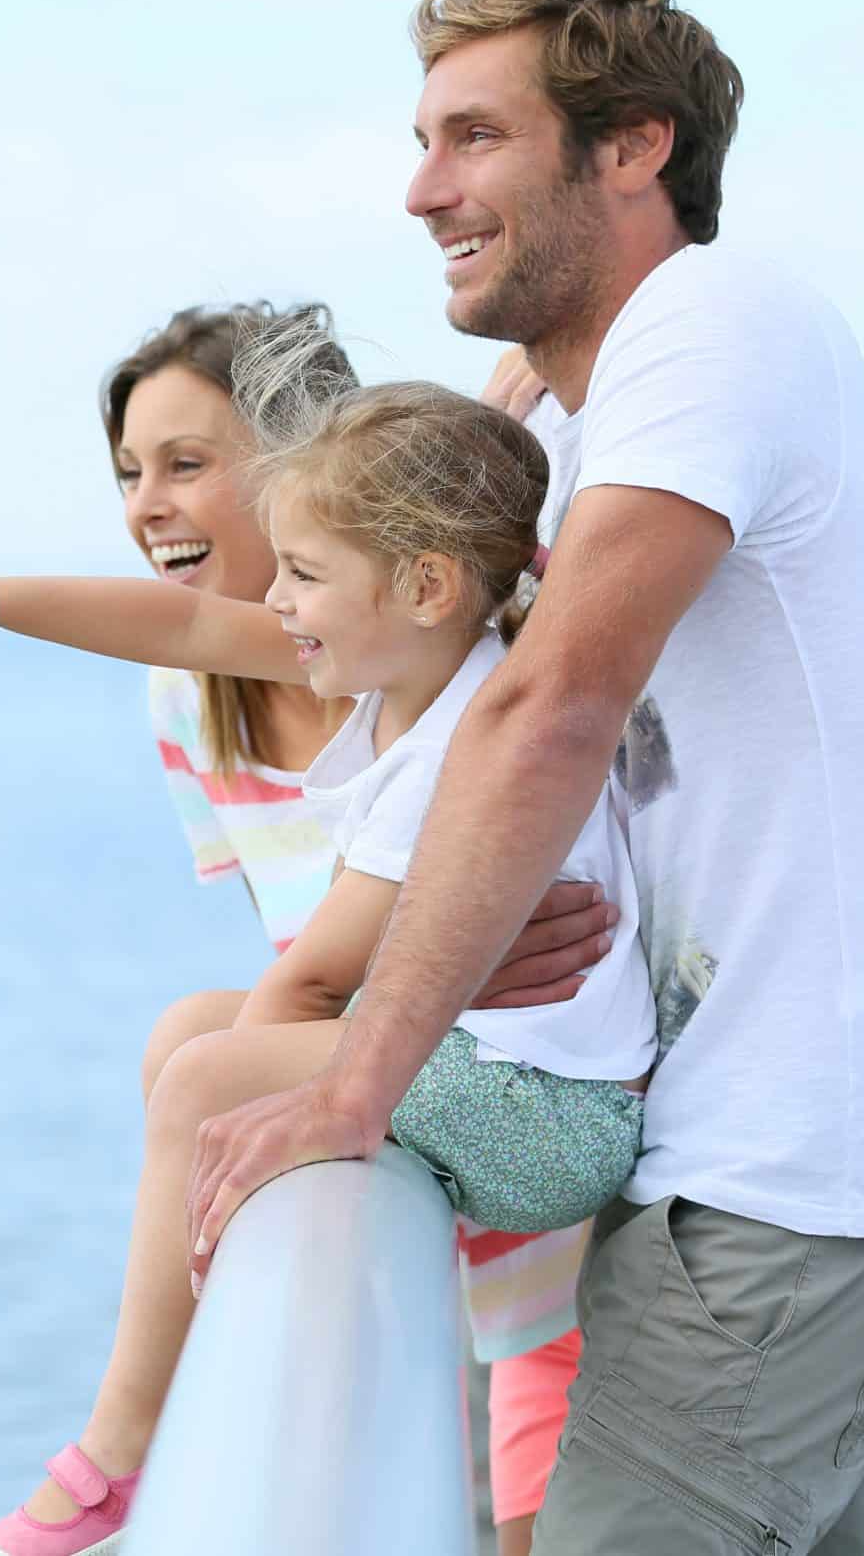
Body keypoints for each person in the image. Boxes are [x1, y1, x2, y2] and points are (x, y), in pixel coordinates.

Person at [175, 0, 864, 1555]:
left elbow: (549, 702)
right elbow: (404, 618)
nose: (423, 190)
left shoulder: (716, 317)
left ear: (634, 147)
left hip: (789, 1205)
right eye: (422, 140)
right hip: (769, 1188)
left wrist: (359, 1080)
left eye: (475, 137)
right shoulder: (584, 409)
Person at [0, 333, 658, 1556]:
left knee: (208, 1070)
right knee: (193, 1035)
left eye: (300, 573)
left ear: (421, 585)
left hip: (542, 1117)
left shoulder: (450, 744)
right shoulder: (427, 663)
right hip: (521, 1082)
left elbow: (316, 977)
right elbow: (176, 629)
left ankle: (121, 1451)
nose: (272, 603)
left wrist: (237, 1103)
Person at [105, 304, 620, 1552]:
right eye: (128, 472)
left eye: (188, 462)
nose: (149, 503)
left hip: (514, 1099)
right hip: (417, 1069)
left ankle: (118, 1446)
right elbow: (304, 953)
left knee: (532, 1377)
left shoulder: (443, 700)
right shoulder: (195, 702)